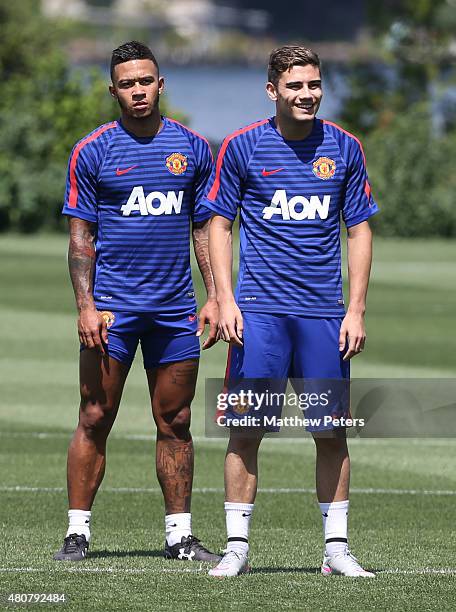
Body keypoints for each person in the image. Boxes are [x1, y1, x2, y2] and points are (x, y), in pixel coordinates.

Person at [204, 45, 378, 577]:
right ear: (272, 90)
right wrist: (226, 299)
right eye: (295, 86)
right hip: (257, 314)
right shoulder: (241, 146)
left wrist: (357, 309)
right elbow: (218, 223)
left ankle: (336, 551)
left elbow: (359, 228)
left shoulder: (345, 147)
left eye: (314, 85)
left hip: (325, 316)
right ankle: (236, 547)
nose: (307, 95)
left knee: (332, 431)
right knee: (246, 430)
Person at [54, 41, 220, 563]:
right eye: (127, 84)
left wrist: (215, 294)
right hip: (112, 309)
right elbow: (81, 238)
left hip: (174, 310)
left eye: (145, 81)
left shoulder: (193, 148)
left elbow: (203, 230)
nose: (138, 91)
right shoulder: (93, 150)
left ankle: (180, 537)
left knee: (176, 420)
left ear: (160, 83)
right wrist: (85, 305)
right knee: (95, 414)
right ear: (114, 90)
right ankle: (77, 533)